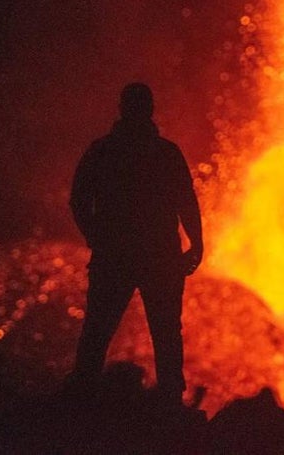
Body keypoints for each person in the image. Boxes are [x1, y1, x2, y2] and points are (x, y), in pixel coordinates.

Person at [68, 82, 203, 407]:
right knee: (166, 332)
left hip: (115, 255)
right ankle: (170, 403)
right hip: (160, 257)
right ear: (149, 110)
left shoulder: (103, 151)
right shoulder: (165, 153)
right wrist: (196, 244)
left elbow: (78, 199)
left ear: (122, 108)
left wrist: (95, 235)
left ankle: (80, 400)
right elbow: (186, 202)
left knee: (98, 329)